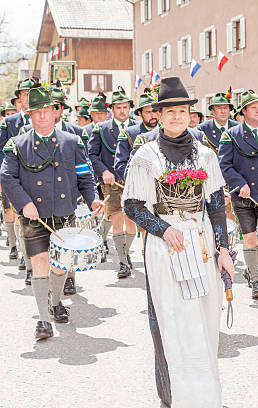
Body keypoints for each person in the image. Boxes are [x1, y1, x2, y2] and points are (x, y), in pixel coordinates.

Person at [122, 76, 233, 408]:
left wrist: (224, 248)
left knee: (204, 318)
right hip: (165, 246)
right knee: (172, 320)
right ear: (158, 114)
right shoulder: (146, 154)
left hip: (200, 244)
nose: (176, 116)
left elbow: (215, 203)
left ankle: (204, 394)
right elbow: (132, 205)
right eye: (169, 111)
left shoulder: (205, 154)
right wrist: (162, 229)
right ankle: (172, 397)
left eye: (182, 110)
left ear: (189, 114)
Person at [0, 86, 103, 339]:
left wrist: (93, 200)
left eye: (47, 110)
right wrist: (24, 203)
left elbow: (85, 177)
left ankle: (54, 301)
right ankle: (44, 321)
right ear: (29, 113)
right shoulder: (17, 144)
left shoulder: (72, 142)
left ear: (55, 112)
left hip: (64, 213)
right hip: (34, 216)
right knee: (40, 264)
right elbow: (7, 176)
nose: (43, 116)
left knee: (60, 266)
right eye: (38, 112)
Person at [218, 90, 258, 298]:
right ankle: (256, 279)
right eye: (254, 107)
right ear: (244, 111)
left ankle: (250, 269)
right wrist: (239, 183)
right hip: (242, 194)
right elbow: (224, 164)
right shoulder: (231, 135)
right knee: (250, 237)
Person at [88, 87, 137, 279]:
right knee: (117, 219)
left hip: (133, 180)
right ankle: (123, 262)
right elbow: (91, 154)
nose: (123, 111)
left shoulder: (137, 128)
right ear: (112, 109)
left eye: (125, 107)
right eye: (119, 108)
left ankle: (125, 251)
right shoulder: (101, 128)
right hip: (111, 181)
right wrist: (104, 171)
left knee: (131, 222)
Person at [0, 78, 37, 282]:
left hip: (38, 179)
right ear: (19, 98)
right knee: (18, 218)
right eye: (24, 94)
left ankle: (34, 258)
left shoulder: (43, 118)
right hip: (14, 179)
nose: (27, 97)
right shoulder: (10, 122)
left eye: (31, 93)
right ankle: (24, 254)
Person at [115, 90, 159, 181]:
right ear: (140, 113)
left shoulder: (166, 131)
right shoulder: (128, 134)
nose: (153, 115)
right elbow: (120, 165)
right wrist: (136, 183)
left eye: (155, 111)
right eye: (148, 112)